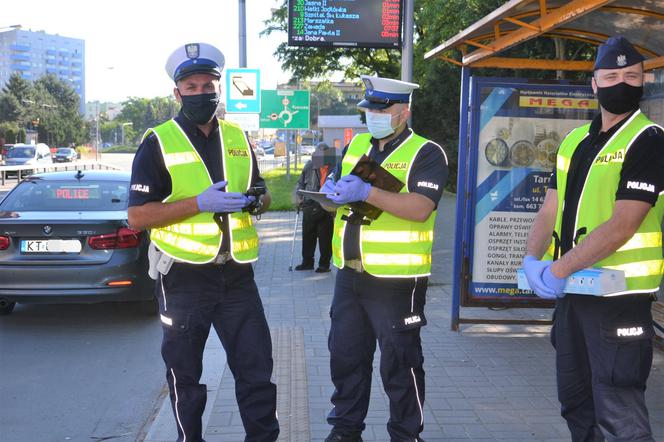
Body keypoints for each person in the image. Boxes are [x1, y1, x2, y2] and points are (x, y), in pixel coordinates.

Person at [127, 43, 279, 442]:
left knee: (257, 370)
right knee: (186, 376)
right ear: (177, 93)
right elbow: (138, 216)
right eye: (191, 86)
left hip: (237, 275)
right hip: (182, 277)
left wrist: (255, 202)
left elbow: (263, 193)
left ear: (218, 88)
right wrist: (199, 203)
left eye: (208, 84)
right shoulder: (158, 141)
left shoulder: (237, 136)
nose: (201, 93)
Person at [523, 36, 664, 442]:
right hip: (573, 297)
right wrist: (532, 261)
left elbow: (624, 224)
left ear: (644, 82)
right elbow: (549, 209)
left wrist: (557, 269)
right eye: (612, 75)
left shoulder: (649, 140)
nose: (623, 82)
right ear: (594, 83)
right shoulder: (573, 142)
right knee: (577, 403)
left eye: (632, 76)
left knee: (620, 415)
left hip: (619, 301)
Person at [322, 75, 448, 442]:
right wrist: (334, 194)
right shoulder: (359, 144)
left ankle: (406, 435)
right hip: (350, 273)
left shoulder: (427, 153)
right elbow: (348, 196)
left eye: (382, 109)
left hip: (397, 280)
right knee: (345, 358)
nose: (372, 116)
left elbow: (421, 207)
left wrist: (367, 191)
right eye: (369, 109)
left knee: (400, 362)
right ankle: (345, 431)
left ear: (403, 113)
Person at [293, 142, 337, 272]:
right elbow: (300, 183)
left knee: (325, 238)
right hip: (309, 204)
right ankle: (307, 262)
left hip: (326, 205)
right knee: (308, 236)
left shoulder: (335, 167)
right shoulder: (309, 166)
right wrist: (298, 198)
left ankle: (324, 265)